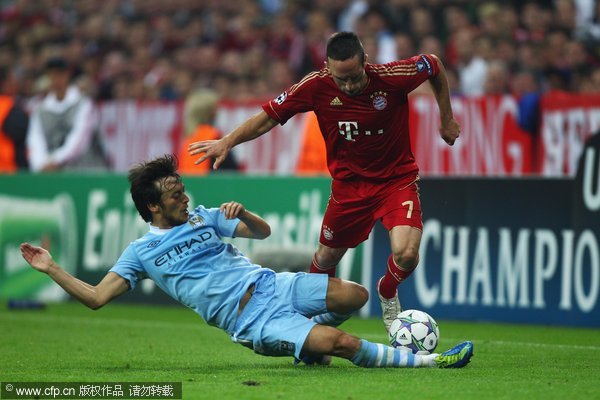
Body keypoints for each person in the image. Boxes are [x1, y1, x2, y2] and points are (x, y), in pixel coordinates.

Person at [20, 155, 473, 369]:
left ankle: (307, 348)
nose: (184, 197)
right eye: (174, 194)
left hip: (272, 284)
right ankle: (428, 363)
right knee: (343, 342)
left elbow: (263, 234)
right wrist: (52, 269)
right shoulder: (141, 252)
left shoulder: (202, 216)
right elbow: (98, 298)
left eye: (182, 189)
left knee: (353, 294)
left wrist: (246, 215)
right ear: (153, 208)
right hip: (250, 319)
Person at [187, 31, 461, 333]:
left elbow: (433, 65)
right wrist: (228, 141)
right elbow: (269, 116)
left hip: (396, 181)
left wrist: (446, 118)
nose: (348, 86)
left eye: (354, 77)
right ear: (328, 68)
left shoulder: (392, 77)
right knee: (326, 257)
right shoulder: (315, 86)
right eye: (341, 79)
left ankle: (386, 289)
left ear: (365, 62)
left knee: (406, 254)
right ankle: (307, 321)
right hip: (349, 188)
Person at [25, 57, 107, 172]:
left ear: (67, 75)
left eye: (59, 74)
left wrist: (55, 160)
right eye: (52, 75)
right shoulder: (40, 108)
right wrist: (40, 164)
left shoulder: (84, 104)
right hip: (50, 171)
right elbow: (35, 140)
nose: (56, 79)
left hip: (84, 170)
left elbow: (79, 140)